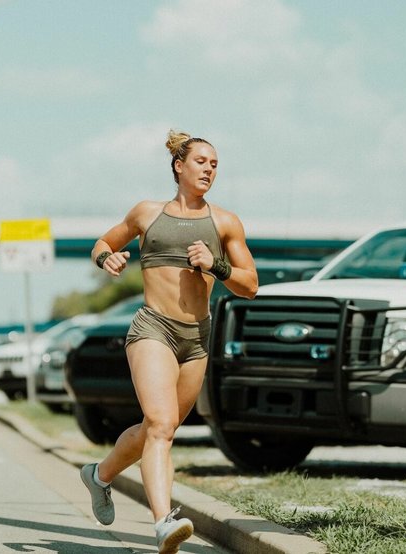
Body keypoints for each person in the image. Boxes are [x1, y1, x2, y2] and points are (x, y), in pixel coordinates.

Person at [80, 129, 258, 553]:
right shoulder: (147, 213)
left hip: (196, 339)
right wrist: (107, 258)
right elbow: (103, 242)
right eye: (201, 162)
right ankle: (163, 523)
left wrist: (215, 265)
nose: (209, 170)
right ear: (179, 166)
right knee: (160, 425)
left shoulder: (225, 222)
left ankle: (99, 475)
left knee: (157, 429)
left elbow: (250, 285)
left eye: (214, 164)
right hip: (153, 328)